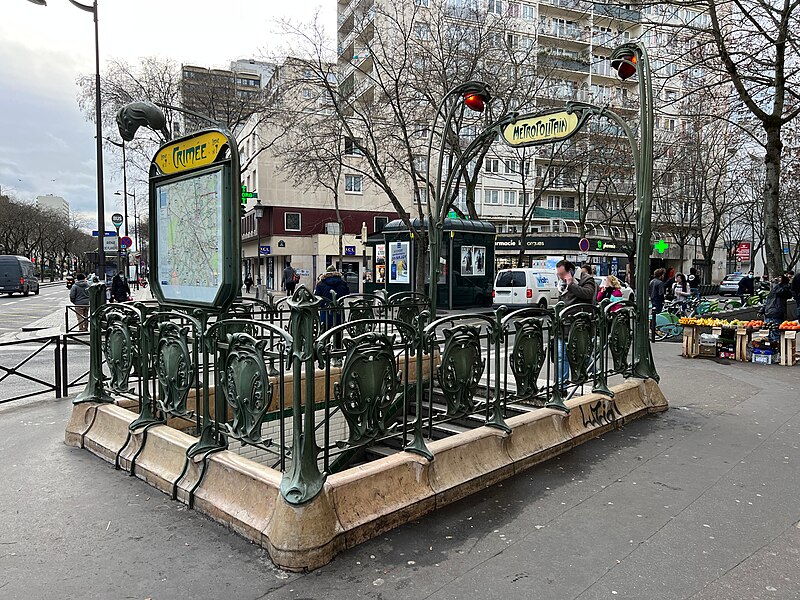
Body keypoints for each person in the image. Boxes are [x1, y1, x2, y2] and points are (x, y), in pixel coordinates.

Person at [554, 260, 597, 391]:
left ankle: (598, 374)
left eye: (562, 274)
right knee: (562, 355)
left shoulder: (586, 279)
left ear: (570, 271)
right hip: (564, 325)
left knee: (582, 354)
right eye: (559, 274)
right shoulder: (561, 283)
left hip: (579, 326)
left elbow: (588, 294)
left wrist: (571, 284)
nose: (560, 277)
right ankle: (562, 386)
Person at [314, 266, 350, 353]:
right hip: (338, 311)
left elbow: (317, 297)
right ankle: (338, 352)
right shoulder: (342, 282)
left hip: (326, 311)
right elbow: (347, 293)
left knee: (325, 332)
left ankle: (324, 351)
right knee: (338, 332)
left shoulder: (321, 283)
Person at [764, 275, 793, 343]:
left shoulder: (784, 288)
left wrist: (775, 284)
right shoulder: (775, 288)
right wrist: (762, 310)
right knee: (770, 333)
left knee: (776, 332)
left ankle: (778, 347)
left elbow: (780, 292)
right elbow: (768, 300)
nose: (777, 279)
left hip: (776, 312)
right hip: (769, 312)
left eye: (780, 277)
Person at [649, 268, 666, 341]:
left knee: (654, 314)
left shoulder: (652, 281)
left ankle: (652, 327)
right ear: (661, 275)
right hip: (658, 300)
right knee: (659, 314)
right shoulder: (660, 283)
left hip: (653, 299)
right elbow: (661, 293)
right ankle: (657, 329)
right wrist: (663, 300)